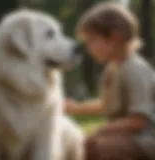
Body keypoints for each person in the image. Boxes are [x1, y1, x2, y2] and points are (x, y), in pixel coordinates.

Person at [66, 2, 155, 160]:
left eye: (92, 40)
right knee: (83, 145)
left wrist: (103, 129)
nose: (89, 47)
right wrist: (75, 107)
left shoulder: (134, 70)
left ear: (114, 38)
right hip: (130, 136)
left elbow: (138, 121)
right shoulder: (113, 68)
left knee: (99, 148)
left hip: (146, 138)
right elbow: (106, 105)